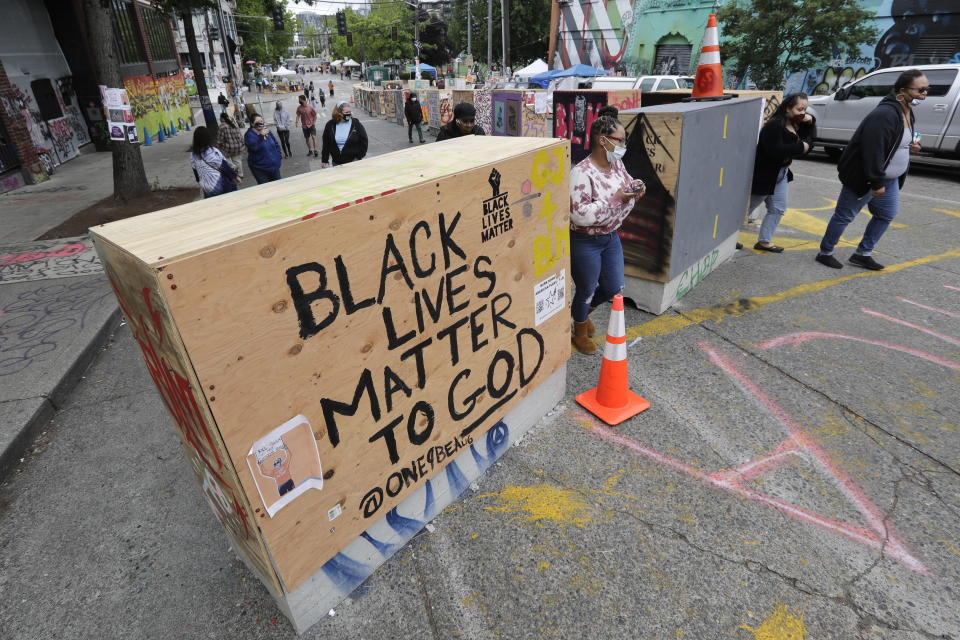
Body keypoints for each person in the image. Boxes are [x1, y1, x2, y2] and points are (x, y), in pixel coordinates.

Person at [815, 69, 927, 270]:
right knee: (844, 215)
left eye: (927, 90)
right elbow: (872, 150)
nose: (924, 94)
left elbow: (895, 141)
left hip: (890, 179)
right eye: (920, 90)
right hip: (867, 177)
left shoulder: (907, 111)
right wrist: (876, 182)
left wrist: (912, 146)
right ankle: (825, 252)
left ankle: (862, 253)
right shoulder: (884, 114)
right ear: (902, 90)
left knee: (886, 214)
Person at [568, 116, 645, 354]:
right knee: (587, 289)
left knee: (613, 286)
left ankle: (582, 315)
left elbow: (626, 183)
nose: (624, 145)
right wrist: (618, 199)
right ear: (603, 140)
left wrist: (636, 187)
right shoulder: (581, 173)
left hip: (611, 237)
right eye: (620, 140)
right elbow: (579, 215)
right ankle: (578, 330)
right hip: (585, 241)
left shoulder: (616, 165)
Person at [747, 93, 816, 252]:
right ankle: (727, 238)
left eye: (805, 109)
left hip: (781, 174)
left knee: (778, 208)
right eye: (799, 109)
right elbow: (775, 150)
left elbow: (810, 142)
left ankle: (764, 241)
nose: (802, 113)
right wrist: (801, 147)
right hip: (765, 175)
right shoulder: (774, 125)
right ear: (787, 108)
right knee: (746, 209)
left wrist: (810, 123)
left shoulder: (795, 124)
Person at [190, 126, 240, 198]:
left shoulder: (193, 155)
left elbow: (196, 172)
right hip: (220, 185)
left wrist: (201, 181)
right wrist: (235, 177)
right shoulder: (213, 152)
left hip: (207, 188)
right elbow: (225, 166)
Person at [321, 101, 368, 167]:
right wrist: (324, 160)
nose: (349, 114)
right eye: (346, 112)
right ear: (339, 113)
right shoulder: (330, 125)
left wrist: (359, 156)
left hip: (354, 162)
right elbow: (326, 143)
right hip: (336, 163)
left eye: (350, 112)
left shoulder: (355, 123)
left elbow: (364, 140)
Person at [244, 113, 283, 184]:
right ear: (252, 124)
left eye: (261, 121)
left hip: (274, 167)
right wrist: (261, 136)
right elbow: (254, 148)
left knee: (278, 186)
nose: (260, 123)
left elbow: (276, 144)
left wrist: (278, 157)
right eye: (257, 122)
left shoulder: (267, 131)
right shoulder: (249, 135)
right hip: (260, 169)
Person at [216, 112, 246, 179]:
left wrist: (218, 147)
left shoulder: (222, 126)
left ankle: (233, 167)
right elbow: (240, 136)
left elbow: (219, 139)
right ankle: (240, 174)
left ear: (221, 118)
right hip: (238, 147)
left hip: (229, 148)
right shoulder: (233, 124)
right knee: (237, 160)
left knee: (223, 156)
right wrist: (242, 144)